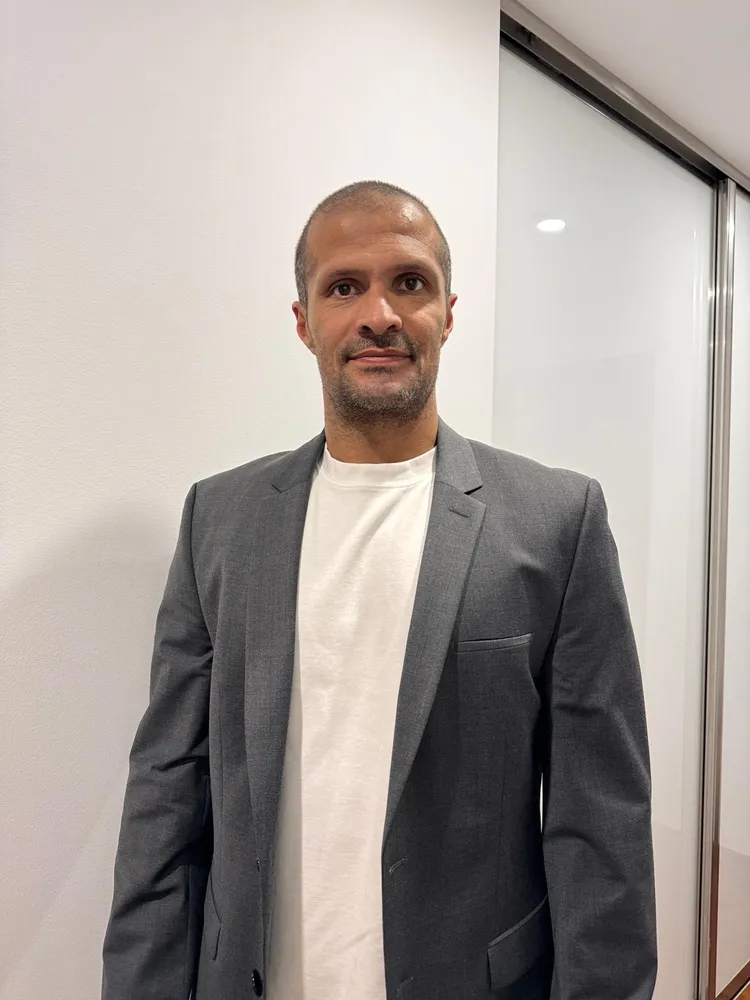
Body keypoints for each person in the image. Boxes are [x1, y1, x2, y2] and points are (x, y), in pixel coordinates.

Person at [102, 180, 657, 1000]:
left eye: (409, 282)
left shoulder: (556, 521)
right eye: (343, 287)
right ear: (304, 322)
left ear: (448, 313)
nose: (379, 315)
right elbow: (166, 793)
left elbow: (600, 824)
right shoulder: (218, 518)